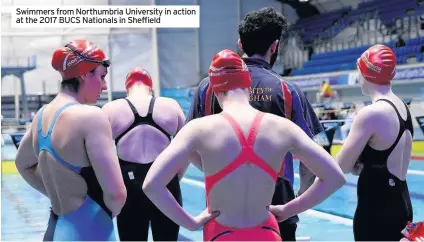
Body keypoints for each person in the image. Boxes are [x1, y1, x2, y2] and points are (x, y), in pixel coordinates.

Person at [143, 49, 346, 241]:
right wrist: (288, 209)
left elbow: (152, 185)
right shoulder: (283, 128)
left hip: (220, 234)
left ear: (215, 89)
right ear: (248, 84)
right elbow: (335, 177)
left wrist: (190, 222)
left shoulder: (198, 129)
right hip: (268, 232)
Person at [185, 7, 323, 240]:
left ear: (240, 44)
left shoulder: (208, 87)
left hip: (222, 199)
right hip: (278, 199)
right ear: (275, 46)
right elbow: (311, 160)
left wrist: (217, 171)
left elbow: (189, 148)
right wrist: (299, 200)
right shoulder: (288, 91)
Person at [14, 40, 127, 241]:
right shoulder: (91, 117)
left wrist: (57, 196)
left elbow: (22, 164)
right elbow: (117, 194)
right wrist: (101, 214)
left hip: (55, 229)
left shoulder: (41, 116)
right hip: (90, 232)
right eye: (101, 77)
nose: (104, 85)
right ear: (84, 73)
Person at [336, 44, 414, 241]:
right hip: (402, 202)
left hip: (376, 209)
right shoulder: (402, 107)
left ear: (365, 73)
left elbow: (341, 166)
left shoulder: (371, 113)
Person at [102, 67, 187, 241]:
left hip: (129, 187)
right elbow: (188, 149)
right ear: (150, 87)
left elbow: (102, 156)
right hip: (165, 183)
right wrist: (175, 177)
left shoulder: (110, 109)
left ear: (128, 88)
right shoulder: (170, 105)